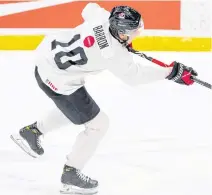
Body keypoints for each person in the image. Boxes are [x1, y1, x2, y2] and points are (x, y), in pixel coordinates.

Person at [10, 3, 198, 194]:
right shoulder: (113, 53)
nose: (135, 35)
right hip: (58, 81)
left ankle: (32, 132)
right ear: (122, 32)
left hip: (45, 63)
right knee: (98, 124)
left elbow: (88, 8)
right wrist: (170, 72)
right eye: (132, 32)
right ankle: (71, 173)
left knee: (73, 110)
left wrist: (115, 34)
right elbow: (134, 77)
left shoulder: (100, 17)